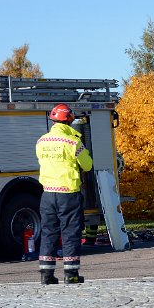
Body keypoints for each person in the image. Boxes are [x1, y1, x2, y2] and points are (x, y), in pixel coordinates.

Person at [35, 104, 93, 285]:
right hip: (68, 193)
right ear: (69, 120)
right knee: (70, 232)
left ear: (53, 120)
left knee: (48, 232)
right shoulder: (73, 142)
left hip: (47, 194)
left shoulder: (41, 141)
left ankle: (46, 274)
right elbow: (88, 165)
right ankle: (71, 274)